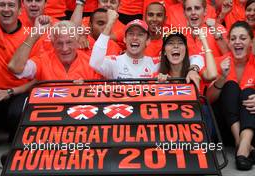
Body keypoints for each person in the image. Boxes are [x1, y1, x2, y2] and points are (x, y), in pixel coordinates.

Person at [90, 9, 201, 85]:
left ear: (148, 41)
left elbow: (196, 57)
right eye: (131, 34)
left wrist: (193, 70)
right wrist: (110, 23)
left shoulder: (155, 63)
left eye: (140, 35)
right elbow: (94, 63)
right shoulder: (114, 61)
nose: (135, 38)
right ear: (124, 39)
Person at [207, 21, 255, 170]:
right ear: (228, 42)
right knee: (231, 86)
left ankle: (243, 145)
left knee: (248, 92)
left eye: (242, 38)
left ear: (251, 42)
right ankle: (242, 145)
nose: (237, 42)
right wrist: (222, 77)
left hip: (253, 126)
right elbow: (207, 99)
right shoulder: (218, 62)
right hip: (225, 128)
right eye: (233, 38)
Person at [0, 0, 35, 146]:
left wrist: (10, 91)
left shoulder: (31, 36)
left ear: (20, 10)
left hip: (18, 93)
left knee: (17, 117)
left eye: (11, 5)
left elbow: (37, 78)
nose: (6, 9)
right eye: (2, 5)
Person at [8, 17, 101, 80]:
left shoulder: (91, 63)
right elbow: (15, 68)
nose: (64, 48)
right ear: (52, 44)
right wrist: (34, 35)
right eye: (59, 43)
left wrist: (85, 87)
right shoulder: (42, 60)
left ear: (77, 43)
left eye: (69, 42)